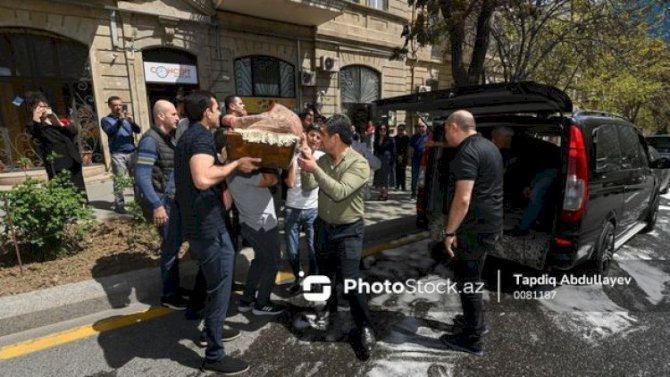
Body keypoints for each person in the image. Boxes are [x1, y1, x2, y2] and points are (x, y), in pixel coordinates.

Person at [174, 90, 260, 374]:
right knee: (221, 286)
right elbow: (201, 178)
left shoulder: (191, 136)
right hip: (207, 224)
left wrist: (222, 159)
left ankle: (208, 328)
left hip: (201, 223)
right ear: (206, 113)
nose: (218, 112)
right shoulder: (199, 137)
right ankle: (214, 355)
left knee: (212, 279)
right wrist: (236, 164)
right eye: (215, 108)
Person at [298, 114, 375, 360]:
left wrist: (315, 170)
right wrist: (309, 162)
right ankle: (329, 312)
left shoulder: (359, 163)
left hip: (348, 230)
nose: (319, 138)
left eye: (323, 135)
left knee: (350, 281)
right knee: (326, 275)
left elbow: (340, 192)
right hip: (323, 227)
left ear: (337, 138)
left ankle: (364, 326)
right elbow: (310, 185)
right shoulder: (323, 159)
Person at [440, 110, 503, 356]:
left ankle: (473, 339)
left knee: (468, 282)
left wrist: (450, 231)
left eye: (446, 129)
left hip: (475, 228)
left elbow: (463, 199)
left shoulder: (466, 152)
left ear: (455, 126)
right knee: (473, 277)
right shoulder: (489, 146)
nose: (445, 135)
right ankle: (474, 324)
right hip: (489, 224)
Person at [133, 100, 188, 310]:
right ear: (160, 116)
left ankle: (174, 288)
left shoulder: (168, 138)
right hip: (163, 202)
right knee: (170, 248)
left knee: (173, 246)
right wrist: (157, 205)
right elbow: (142, 176)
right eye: (173, 114)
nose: (177, 117)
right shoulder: (150, 140)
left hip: (170, 200)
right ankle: (169, 295)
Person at [227, 167, 285, 316]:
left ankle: (247, 299)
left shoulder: (232, 170)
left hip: (251, 222)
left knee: (260, 260)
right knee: (273, 263)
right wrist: (272, 162)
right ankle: (262, 303)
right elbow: (271, 180)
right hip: (262, 224)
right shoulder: (242, 171)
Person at [284, 124, 325, 293]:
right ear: (306, 136)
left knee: (313, 249)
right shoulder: (292, 154)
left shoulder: (322, 157)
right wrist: (295, 158)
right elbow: (290, 182)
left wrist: (310, 158)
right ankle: (299, 278)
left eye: (318, 137)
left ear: (321, 142)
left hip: (313, 210)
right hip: (292, 209)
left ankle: (314, 279)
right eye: (312, 135)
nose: (314, 139)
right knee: (293, 251)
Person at [27, 92, 88, 199]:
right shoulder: (33, 125)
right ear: (33, 108)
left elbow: (73, 132)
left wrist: (58, 122)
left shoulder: (55, 120)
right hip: (57, 164)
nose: (44, 109)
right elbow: (37, 137)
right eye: (40, 106)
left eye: (46, 106)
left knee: (79, 189)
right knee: (63, 191)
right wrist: (36, 119)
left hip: (73, 158)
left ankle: (83, 210)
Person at [101, 96, 141, 214]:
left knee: (136, 180)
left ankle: (138, 204)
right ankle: (119, 205)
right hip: (118, 154)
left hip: (132, 152)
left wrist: (131, 121)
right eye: (115, 105)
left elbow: (138, 130)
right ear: (110, 106)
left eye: (120, 105)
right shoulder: (106, 120)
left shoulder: (126, 119)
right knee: (119, 181)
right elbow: (110, 131)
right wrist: (120, 120)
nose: (118, 107)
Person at [372, 124, 395, 201]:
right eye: (381, 129)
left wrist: (393, 160)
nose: (383, 131)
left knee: (385, 177)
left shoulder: (390, 139)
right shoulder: (376, 139)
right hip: (378, 158)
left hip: (387, 159)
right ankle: (380, 193)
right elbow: (375, 150)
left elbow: (391, 150)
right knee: (379, 176)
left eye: (384, 129)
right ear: (378, 131)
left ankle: (385, 193)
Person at [409, 119, 428, 199]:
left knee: (423, 178)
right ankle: (413, 193)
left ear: (426, 127)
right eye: (419, 126)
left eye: (422, 126)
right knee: (414, 177)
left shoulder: (429, 137)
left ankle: (422, 193)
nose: (420, 128)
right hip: (416, 160)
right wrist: (409, 158)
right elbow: (411, 148)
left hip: (425, 161)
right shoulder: (414, 137)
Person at [394, 124, 410, 191]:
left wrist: (403, 156)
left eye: (401, 130)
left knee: (403, 171)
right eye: (399, 130)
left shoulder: (406, 138)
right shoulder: (395, 138)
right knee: (397, 171)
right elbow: (394, 149)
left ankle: (403, 186)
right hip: (396, 157)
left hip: (404, 157)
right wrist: (397, 156)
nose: (400, 131)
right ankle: (397, 185)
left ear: (404, 130)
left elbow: (407, 148)